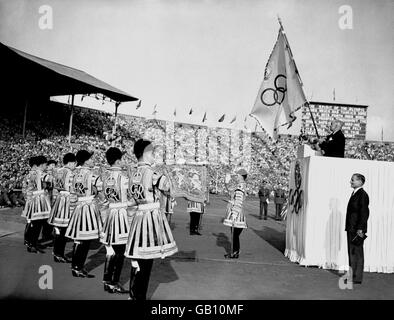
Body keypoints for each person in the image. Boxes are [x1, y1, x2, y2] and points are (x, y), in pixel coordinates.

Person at [125, 139, 178, 300]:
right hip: (149, 219)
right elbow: (170, 188)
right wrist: (169, 174)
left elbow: (131, 202)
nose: (155, 156)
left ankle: (133, 294)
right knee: (146, 260)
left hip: (138, 218)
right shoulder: (153, 174)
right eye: (153, 153)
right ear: (146, 154)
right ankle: (139, 296)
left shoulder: (133, 174)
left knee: (138, 259)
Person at [65, 150, 103, 278]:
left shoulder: (73, 174)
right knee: (85, 239)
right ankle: (78, 267)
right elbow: (100, 192)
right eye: (91, 159)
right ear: (86, 161)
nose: (93, 160)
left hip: (77, 207)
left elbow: (72, 194)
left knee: (79, 238)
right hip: (88, 207)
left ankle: (76, 266)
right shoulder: (92, 175)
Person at [98, 147, 130, 294]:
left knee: (111, 250)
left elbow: (103, 201)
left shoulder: (104, 178)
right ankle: (113, 282)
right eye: (122, 159)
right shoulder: (124, 179)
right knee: (120, 251)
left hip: (110, 215)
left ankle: (107, 281)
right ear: (118, 161)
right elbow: (131, 199)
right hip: (121, 216)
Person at [48, 153, 76, 263]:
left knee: (60, 229)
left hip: (59, 199)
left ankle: (56, 252)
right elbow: (72, 189)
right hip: (67, 200)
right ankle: (59, 254)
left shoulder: (58, 171)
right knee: (64, 230)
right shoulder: (70, 172)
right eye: (74, 163)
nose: (75, 165)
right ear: (70, 162)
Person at [21, 155, 51, 253]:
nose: (46, 166)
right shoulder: (40, 174)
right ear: (41, 165)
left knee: (34, 223)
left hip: (31, 199)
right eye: (45, 164)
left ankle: (31, 242)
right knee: (37, 223)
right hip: (38, 200)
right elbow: (49, 182)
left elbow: (25, 188)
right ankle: (32, 244)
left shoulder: (29, 174)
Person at [345, 173, 369, 285]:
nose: (351, 182)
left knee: (357, 252)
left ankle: (356, 277)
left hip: (357, 229)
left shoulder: (362, 195)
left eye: (353, 180)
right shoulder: (355, 193)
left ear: (360, 181)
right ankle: (353, 276)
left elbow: (364, 213)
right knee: (352, 252)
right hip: (351, 228)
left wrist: (360, 229)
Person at [223, 169, 248, 259]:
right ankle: (234, 251)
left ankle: (235, 252)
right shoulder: (240, 185)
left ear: (241, 176)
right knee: (234, 234)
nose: (236, 177)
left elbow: (238, 200)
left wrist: (234, 213)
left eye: (238, 175)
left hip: (236, 213)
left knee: (235, 234)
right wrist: (226, 181)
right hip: (237, 211)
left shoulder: (240, 186)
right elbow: (231, 190)